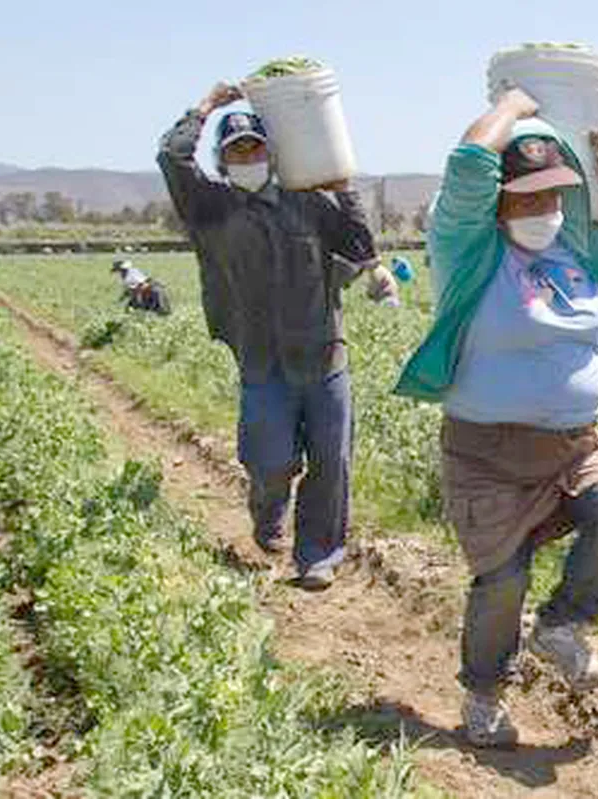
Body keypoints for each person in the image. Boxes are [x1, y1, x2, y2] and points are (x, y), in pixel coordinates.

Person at [394, 87, 598, 748]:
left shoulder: (575, 251)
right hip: (486, 453)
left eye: (552, 194)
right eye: (528, 195)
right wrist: (512, 107)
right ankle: (484, 693)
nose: (543, 207)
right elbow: (467, 166)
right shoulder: (470, 253)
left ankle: (562, 627)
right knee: (501, 582)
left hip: (574, 446)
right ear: (500, 200)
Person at [157, 81, 378, 591]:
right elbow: (171, 155)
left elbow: (360, 243)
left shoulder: (309, 205)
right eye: (237, 150)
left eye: (256, 146)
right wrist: (209, 106)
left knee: (331, 461)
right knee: (269, 462)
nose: (248, 156)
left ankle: (317, 556)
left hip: (325, 356)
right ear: (222, 159)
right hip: (260, 362)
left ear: (273, 155)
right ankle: (267, 510)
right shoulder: (210, 210)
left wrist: (343, 185)